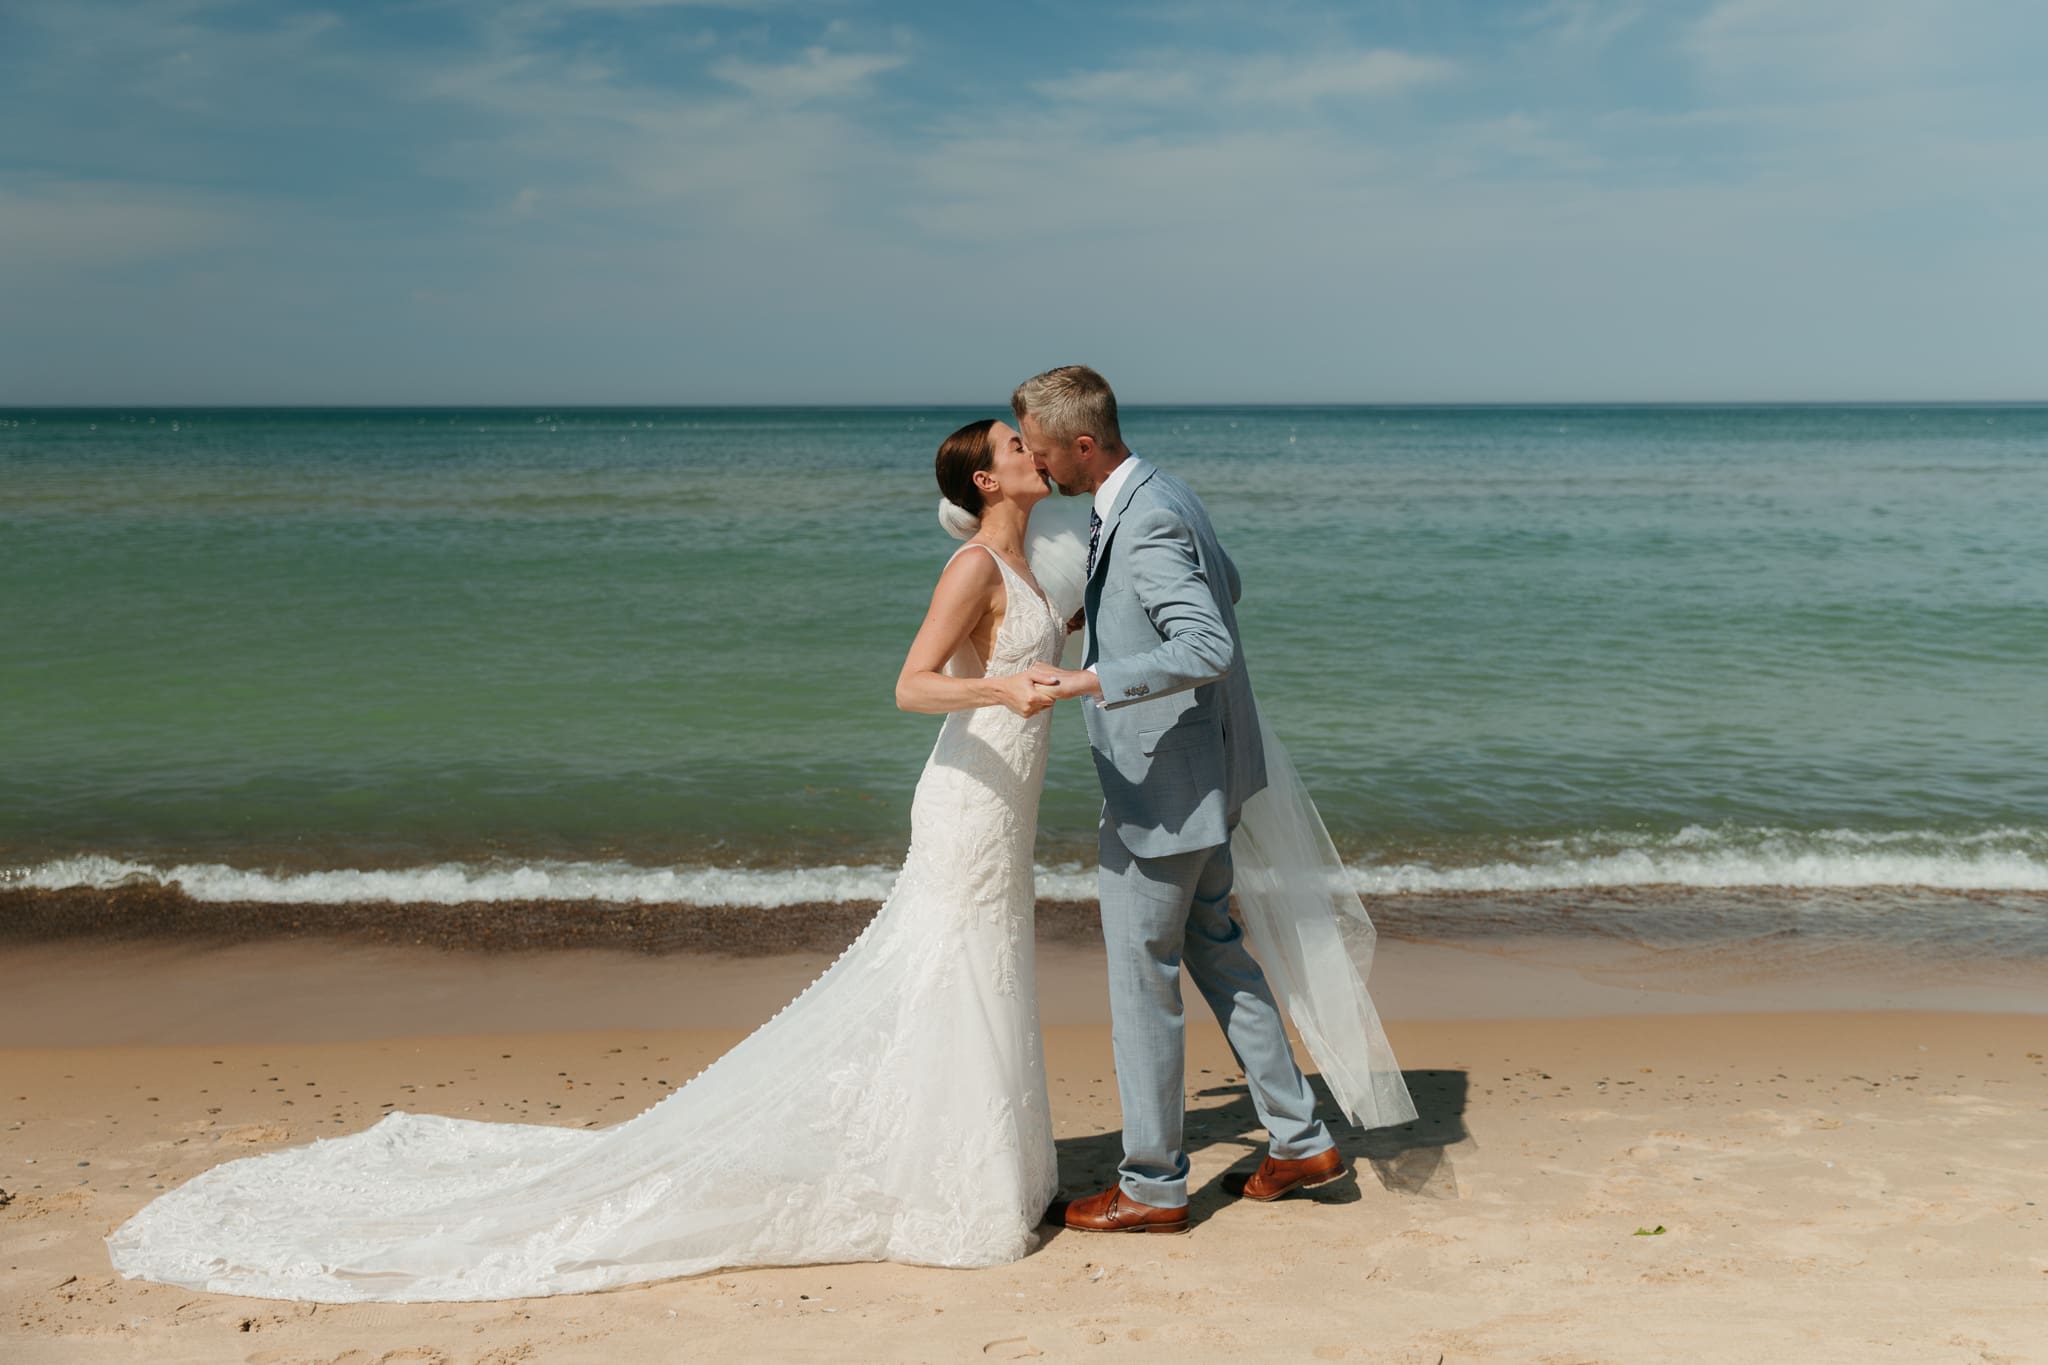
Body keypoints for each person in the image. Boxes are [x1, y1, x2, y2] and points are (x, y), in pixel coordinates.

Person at [104, 418, 1069, 1301]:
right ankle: (949, 1184)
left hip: (1004, 804)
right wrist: (1004, 690)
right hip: (967, 800)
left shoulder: (1031, 568)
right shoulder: (972, 567)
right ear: (987, 479)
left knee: (981, 965)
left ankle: (971, 1162)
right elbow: (909, 687)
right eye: (1016, 442)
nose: (1034, 446)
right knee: (949, 963)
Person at [1018, 364, 1409, 1234]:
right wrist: (1108, 613)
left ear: (1084, 444)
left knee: (1140, 982)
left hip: (1164, 794)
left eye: (1045, 454)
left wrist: (1093, 675)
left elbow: (1205, 642)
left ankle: (1152, 1185)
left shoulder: (1145, 514)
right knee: (1220, 954)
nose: (1039, 470)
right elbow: (1225, 586)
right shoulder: (1166, 491)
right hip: (1210, 777)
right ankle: (1299, 1138)